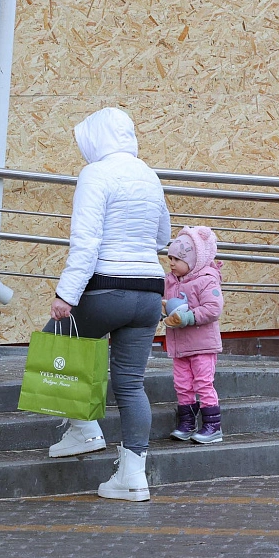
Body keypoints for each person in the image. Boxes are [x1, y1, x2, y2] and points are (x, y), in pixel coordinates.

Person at [45, 107, 170, 502]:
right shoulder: (149, 176)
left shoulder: (95, 174)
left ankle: (84, 430)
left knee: (55, 346)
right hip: (149, 291)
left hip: (106, 288)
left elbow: (86, 242)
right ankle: (133, 477)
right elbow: (162, 236)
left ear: (97, 138)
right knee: (130, 384)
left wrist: (67, 295)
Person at [163, 226, 224, 444]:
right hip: (180, 346)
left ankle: (213, 426)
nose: (172, 263)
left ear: (194, 260)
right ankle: (187, 423)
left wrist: (188, 317)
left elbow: (213, 308)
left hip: (203, 345)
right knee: (182, 384)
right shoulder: (170, 281)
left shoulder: (206, 280)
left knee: (203, 384)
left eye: (178, 259)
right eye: (170, 258)